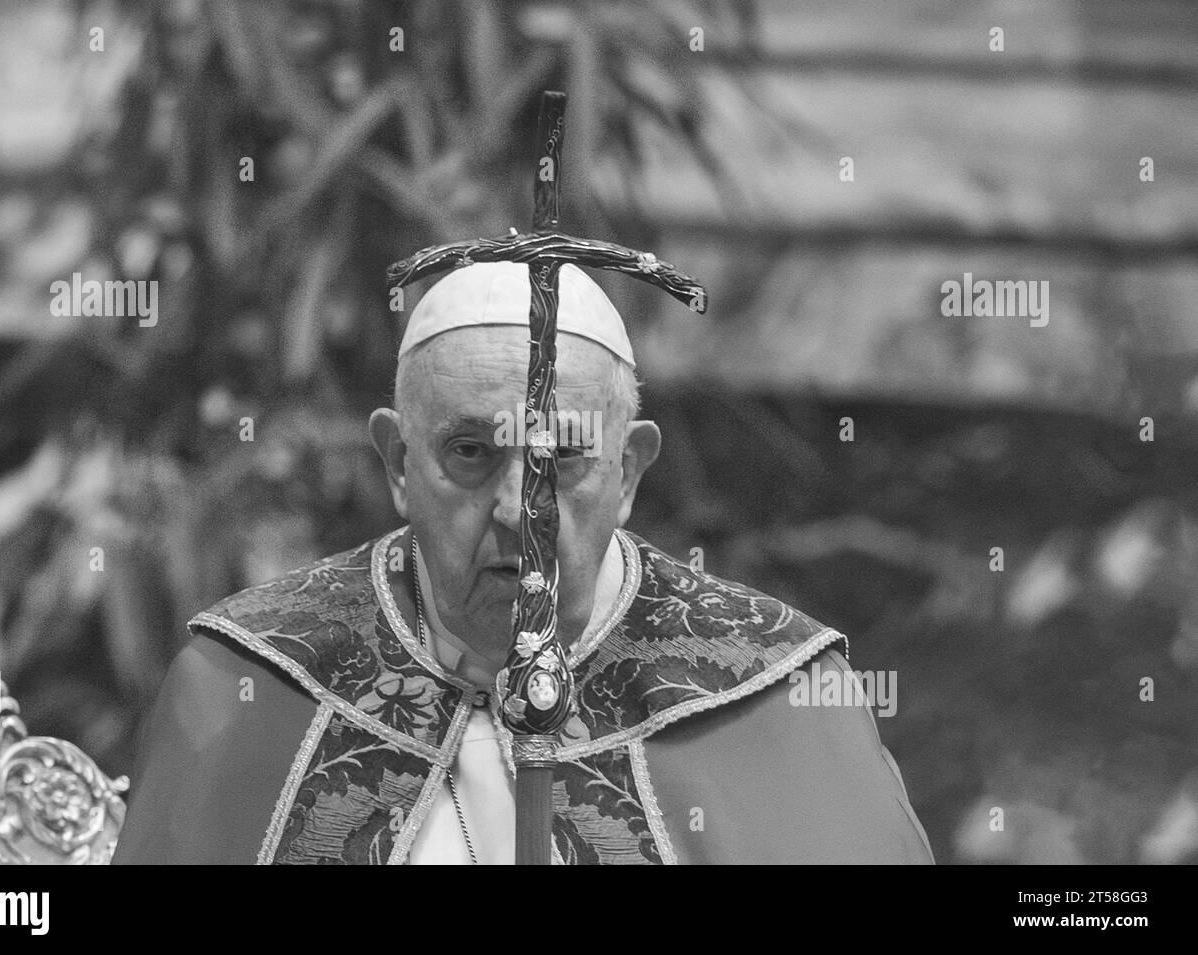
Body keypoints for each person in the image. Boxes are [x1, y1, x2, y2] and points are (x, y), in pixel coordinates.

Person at [113, 262, 934, 865]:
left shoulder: (775, 696)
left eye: (564, 457)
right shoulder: (245, 685)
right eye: (470, 452)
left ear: (630, 472)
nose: (518, 507)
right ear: (398, 462)